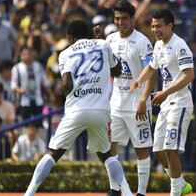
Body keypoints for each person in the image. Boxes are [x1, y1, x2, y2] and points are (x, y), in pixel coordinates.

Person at [24, 20, 125, 196]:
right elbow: (117, 71)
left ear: (70, 37)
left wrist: (60, 85)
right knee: (107, 155)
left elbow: (67, 86)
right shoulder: (102, 44)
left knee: (53, 153)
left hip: (77, 110)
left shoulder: (65, 53)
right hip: (101, 110)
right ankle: (127, 193)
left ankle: (29, 194)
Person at [130, 9, 194, 196]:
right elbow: (151, 67)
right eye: (153, 26)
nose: (155, 29)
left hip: (180, 103)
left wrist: (166, 92)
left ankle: (175, 192)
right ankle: (181, 184)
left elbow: (189, 74)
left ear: (170, 26)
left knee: (170, 148)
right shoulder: (158, 45)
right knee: (158, 150)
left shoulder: (180, 45)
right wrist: (139, 80)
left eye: (159, 26)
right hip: (166, 103)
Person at [103, 0, 155, 196]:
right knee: (110, 147)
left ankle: (141, 192)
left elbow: (151, 73)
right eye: (117, 18)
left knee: (141, 150)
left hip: (137, 105)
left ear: (133, 19)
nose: (120, 22)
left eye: (124, 18)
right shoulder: (110, 40)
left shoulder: (142, 42)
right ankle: (115, 188)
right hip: (116, 104)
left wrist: (143, 100)